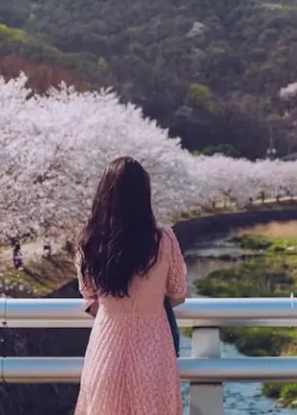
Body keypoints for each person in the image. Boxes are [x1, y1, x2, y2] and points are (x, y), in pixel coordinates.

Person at [74, 156, 187, 415]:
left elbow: (88, 292)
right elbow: (178, 292)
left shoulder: (89, 241)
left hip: (106, 346)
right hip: (153, 345)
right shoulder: (164, 240)